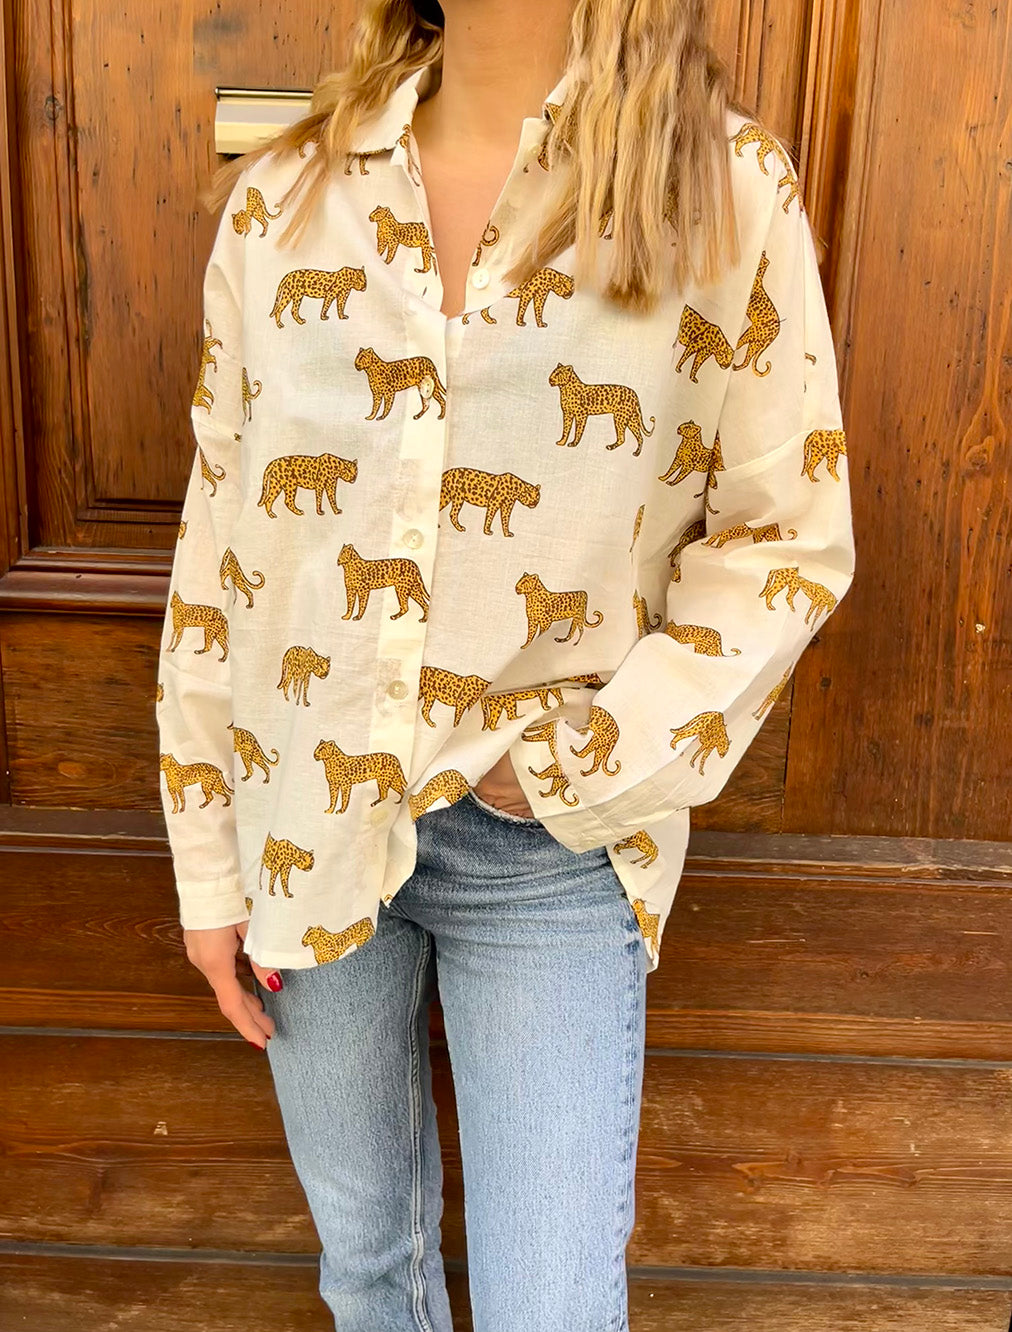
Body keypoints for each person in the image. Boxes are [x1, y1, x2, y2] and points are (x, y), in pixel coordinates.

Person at [155, 0, 855, 1327]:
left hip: (544, 852)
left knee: (553, 1308)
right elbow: (222, 546)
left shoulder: (715, 188)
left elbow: (786, 537)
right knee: (369, 1272)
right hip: (305, 820)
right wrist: (207, 857)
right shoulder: (288, 197)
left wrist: (580, 764)